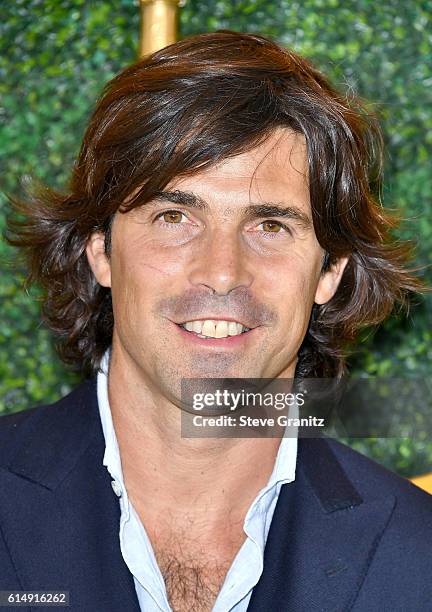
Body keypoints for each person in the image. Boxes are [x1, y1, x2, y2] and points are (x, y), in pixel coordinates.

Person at [1, 30, 431, 612]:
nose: (223, 273)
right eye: (175, 217)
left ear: (329, 272)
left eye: (270, 226)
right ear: (100, 250)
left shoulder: (416, 553)